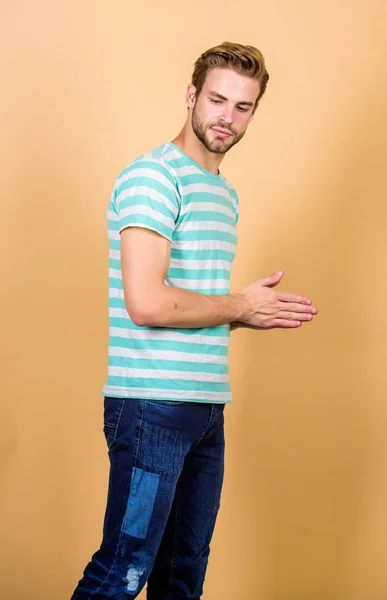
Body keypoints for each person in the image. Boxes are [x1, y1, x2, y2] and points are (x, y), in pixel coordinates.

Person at [71, 41, 318, 599]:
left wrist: (242, 314)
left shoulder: (223, 194)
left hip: (206, 408)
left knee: (183, 577)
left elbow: (191, 305)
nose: (226, 117)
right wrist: (238, 305)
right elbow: (148, 304)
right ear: (191, 96)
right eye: (217, 100)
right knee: (122, 572)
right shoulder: (154, 178)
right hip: (151, 408)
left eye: (243, 107)